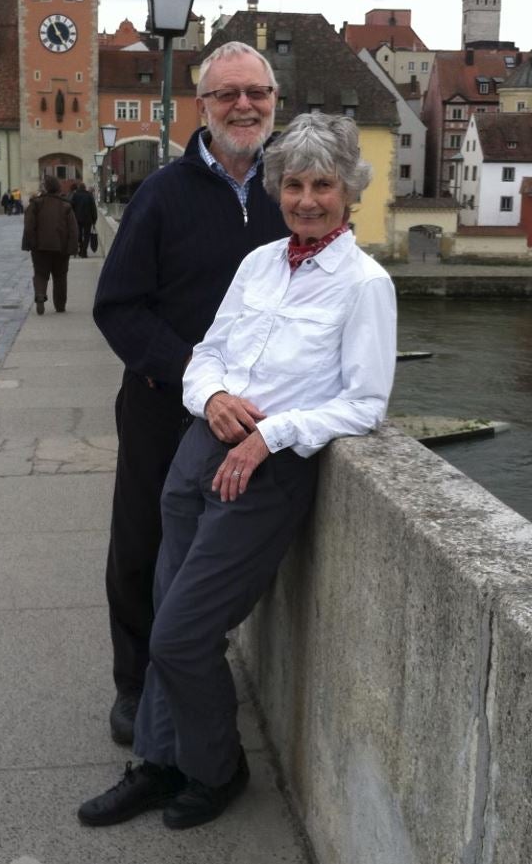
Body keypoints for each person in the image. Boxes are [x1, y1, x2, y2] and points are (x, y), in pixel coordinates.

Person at [79, 112, 397, 830]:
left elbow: (365, 404)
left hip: (264, 475)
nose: (306, 199)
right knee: (166, 615)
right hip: (197, 452)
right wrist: (213, 396)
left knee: (181, 634)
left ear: (349, 192)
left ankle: (216, 767)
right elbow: (210, 351)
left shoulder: (363, 284)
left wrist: (271, 435)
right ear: (278, 190)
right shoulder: (259, 262)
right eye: (293, 184)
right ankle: (160, 761)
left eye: (322, 184)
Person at [91, 41, 286, 748]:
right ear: (201, 107)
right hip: (161, 403)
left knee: (219, 557)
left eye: (256, 93)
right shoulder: (162, 194)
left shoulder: (289, 192)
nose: (244, 105)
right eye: (227, 93)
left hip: (253, 419)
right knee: (142, 545)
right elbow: (118, 306)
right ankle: (134, 682)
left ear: (274, 101)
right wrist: (195, 379)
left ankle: (192, 679)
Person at [21, 176, 78, 315]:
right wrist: (72, 248)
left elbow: (28, 227)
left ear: (45, 188)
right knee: (60, 276)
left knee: (40, 274)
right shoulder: (66, 205)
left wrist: (32, 243)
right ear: (58, 188)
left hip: (40, 247)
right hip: (61, 248)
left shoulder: (36, 204)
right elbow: (73, 229)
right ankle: (60, 305)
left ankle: (40, 295)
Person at [70, 181, 98, 257]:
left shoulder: (75, 195)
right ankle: (84, 251)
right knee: (86, 236)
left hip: (77, 219)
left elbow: (71, 207)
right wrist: (94, 219)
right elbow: (93, 208)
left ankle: (81, 247)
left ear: (79, 188)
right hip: (88, 219)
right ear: (85, 188)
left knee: (78, 235)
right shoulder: (89, 195)